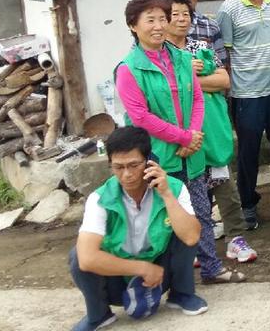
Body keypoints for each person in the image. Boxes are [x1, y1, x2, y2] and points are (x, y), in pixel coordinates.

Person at [116, 0, 239, 286]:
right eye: (151, 20)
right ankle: (166, 279)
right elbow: (141, 117)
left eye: (162, 18)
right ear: (133, 26)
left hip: (192, 151)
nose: (159, 26)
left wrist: (193, 136)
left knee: (200, 212)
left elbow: (197, 98)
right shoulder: (128, 69)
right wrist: (182, 137)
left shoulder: (183, 58)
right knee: (164, 219)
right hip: (159, 156)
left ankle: (211, 267)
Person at [69, 127, 206, 331]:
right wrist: (141, 268)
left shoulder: (174, 188)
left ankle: (181, 293)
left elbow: (192, 237)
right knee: (77, 256)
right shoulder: (100, 199)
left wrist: (167, 195)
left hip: (161, 275)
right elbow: (88, 258)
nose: (126, 175)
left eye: (134, 165)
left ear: (149, 161)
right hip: (117, 281)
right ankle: (98, 314)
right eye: (118, 167)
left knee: (184, 226)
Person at [162, 0, 256, 256]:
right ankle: (191, 246)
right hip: (175, 131)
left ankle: (236, 238)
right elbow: (159, 87)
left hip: (210, 126)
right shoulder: (155, 51)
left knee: (223, 184)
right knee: (187, 191)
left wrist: (190, 80)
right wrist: (189, 79)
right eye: (174, 14)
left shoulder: (201, 42)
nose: (182, 16)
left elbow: (224, 80)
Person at [216, 0, 270, 229]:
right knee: (248, 153)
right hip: (247, 94)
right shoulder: (228, 9)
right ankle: (247, 203)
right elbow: (227, 56)